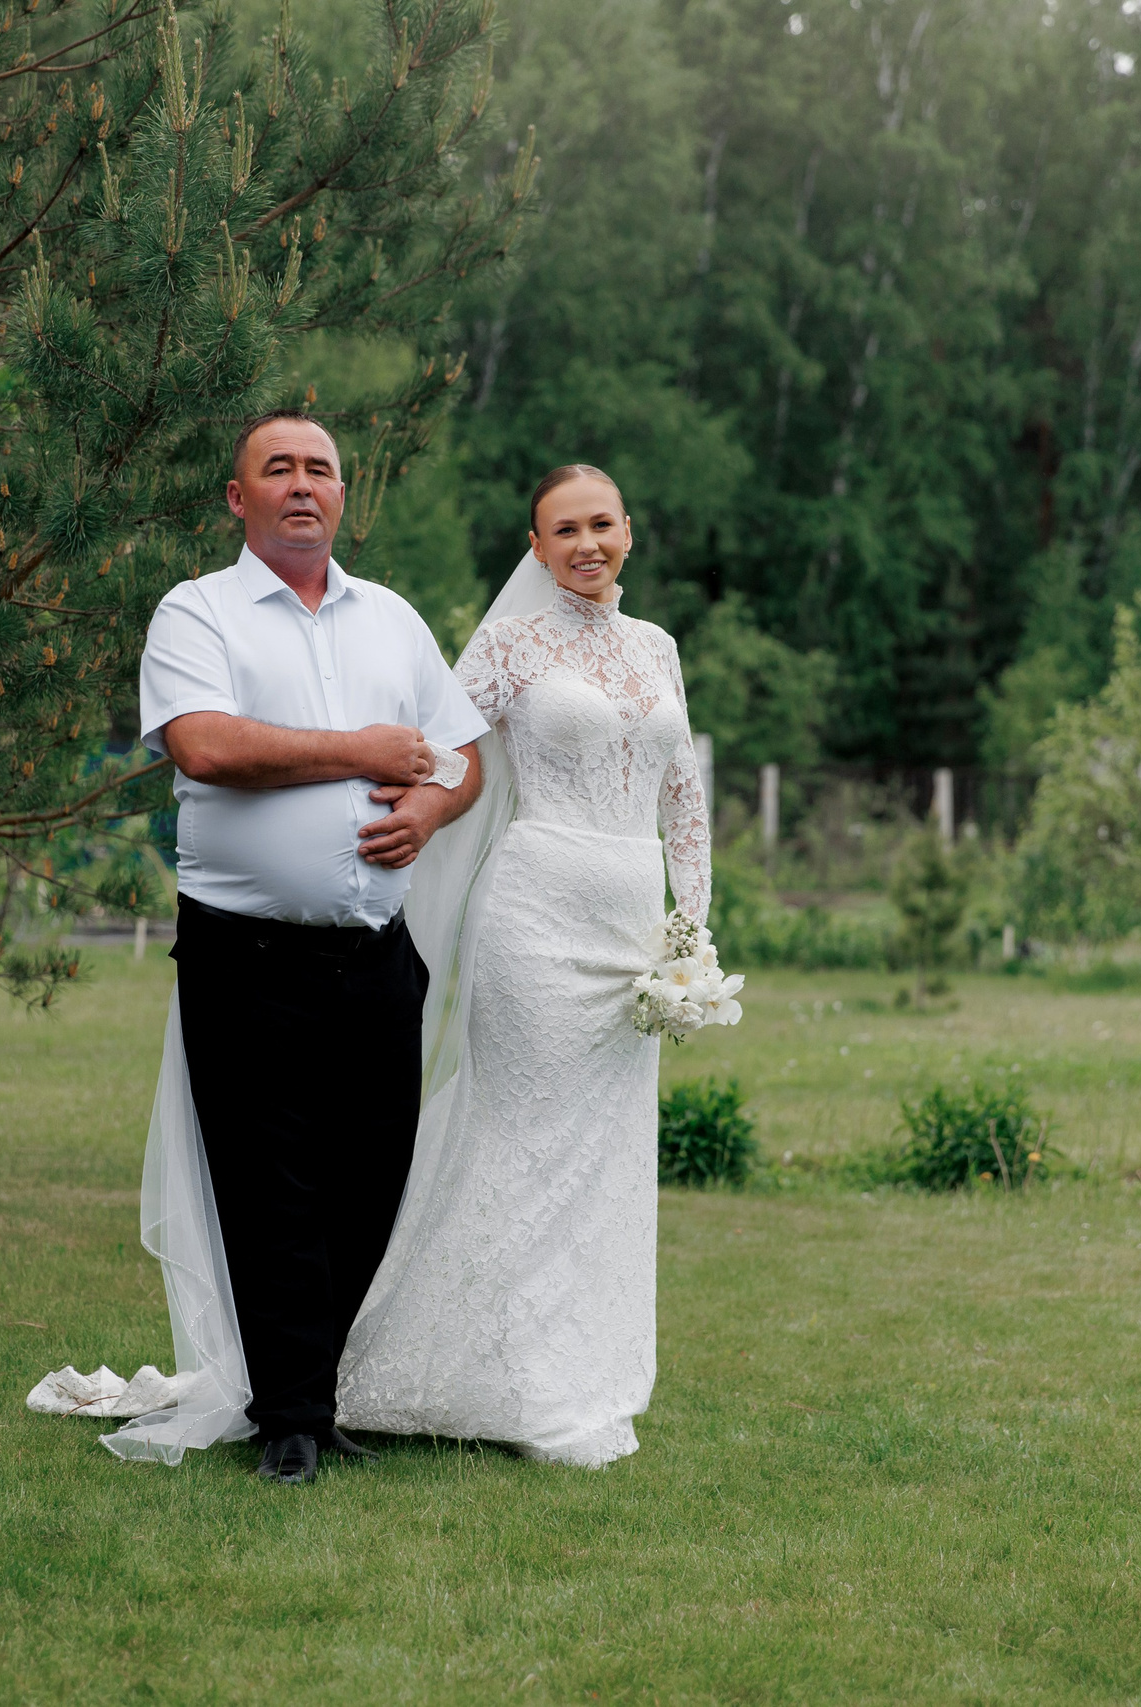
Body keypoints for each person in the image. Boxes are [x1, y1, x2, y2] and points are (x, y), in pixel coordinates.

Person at [108, 406, 487, 1482]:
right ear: (241, 498)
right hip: (247, 956)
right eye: (278, 468)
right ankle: (290, 1419)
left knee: (370, 1179)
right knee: (270, 1183)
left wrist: (430, 808)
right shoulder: (198, 612)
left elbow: (462, 754)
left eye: (320, 468)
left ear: (342, 495)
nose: (303, 483)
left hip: (376, 953)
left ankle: (312, 1393)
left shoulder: (392, 620)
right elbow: (205, 745)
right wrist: (361, 751)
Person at [333, 465, 711, 1466]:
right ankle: (510, 1389)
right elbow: (445, 753)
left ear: (629, 531)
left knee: (604, 1157)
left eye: (601, 524)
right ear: (536, 547)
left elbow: (682, 795)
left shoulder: (658, 647)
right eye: (564, 530)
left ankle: (576, 1374)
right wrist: (397, 803)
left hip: (634, 929)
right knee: (522, 1140)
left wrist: (692, 933)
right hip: (536, 913)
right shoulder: (511, 644)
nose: (586, 544)